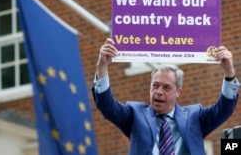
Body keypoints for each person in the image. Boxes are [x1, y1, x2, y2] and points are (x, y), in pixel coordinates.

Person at [92, 38, 240, 155]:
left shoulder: (195, 116)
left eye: (167, 87)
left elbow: (224, 109)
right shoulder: (134, 114)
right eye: (155, 85)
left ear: (178, 92)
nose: (159, 92)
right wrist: (102, 66)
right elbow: (107, 106)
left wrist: (229, 72)